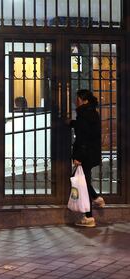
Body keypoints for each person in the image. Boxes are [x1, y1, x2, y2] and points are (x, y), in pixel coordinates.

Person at [70, 89, 105, 228]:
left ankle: (93, 206)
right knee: (84, 181)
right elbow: (85, 129)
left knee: (82, 182)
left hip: (85, 154)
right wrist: (71, 123)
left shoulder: (83, 114)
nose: (75, 101)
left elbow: (83, 137)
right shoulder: (92, 113)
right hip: (91, 153)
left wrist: (78, 157)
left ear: (84, 100)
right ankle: (91, 212)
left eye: (77, 98)